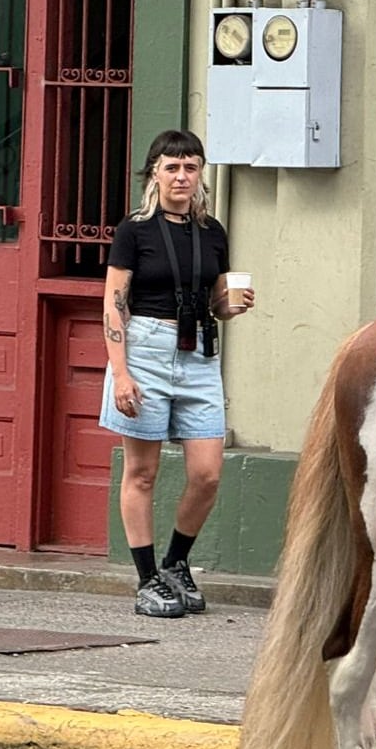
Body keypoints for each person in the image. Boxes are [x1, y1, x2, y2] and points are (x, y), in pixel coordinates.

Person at [100, 129, 255, 619]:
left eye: (190, 166)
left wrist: (230, 306)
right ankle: (147, 579)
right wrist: (121, 374)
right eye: (172, 167)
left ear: (200, 173)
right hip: (144, 346)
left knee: (207, 473)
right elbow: (113, 304)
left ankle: (175, 563)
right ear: (155, 174)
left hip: (198, 351)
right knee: (142, 471)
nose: (182, 176)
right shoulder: (135, 230)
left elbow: (214, 298)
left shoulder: (212, 232)